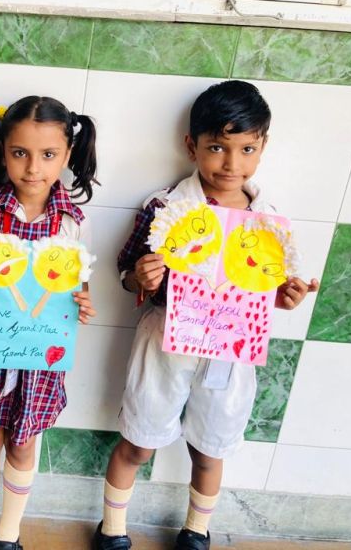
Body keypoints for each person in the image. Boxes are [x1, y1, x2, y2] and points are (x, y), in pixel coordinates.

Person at [93, 80, 320, 550]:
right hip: (165, 343)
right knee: (139, 442)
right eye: (217, 147)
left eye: (246, 149)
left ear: (262, 147)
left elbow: (263, 292)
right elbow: (126, 271)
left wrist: (285, 296)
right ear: (191, 145)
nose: (231, 163)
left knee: (209, 449)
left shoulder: (268, 221)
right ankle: (112, 528)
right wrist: (140, 278)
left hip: (229, 351)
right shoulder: (165, 208)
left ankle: (196, 531)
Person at [0, 96, 98, 550]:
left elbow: (77, 287)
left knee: (24, 441)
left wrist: (82, 304)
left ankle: (9, 534)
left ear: (67, 155)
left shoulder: (74, 224)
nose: (33, 167)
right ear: (3, 152)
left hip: (41, 354)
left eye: (48, 154)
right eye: (20, 153)